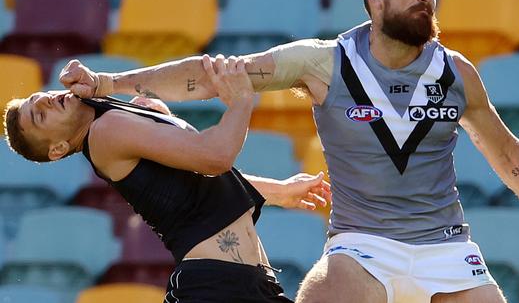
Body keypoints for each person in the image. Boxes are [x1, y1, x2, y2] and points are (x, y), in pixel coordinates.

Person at [57, 0, 519, 303]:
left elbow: (511, 158)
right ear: (374, 1)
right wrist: (109, 85)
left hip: (449, 248)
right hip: (363, 246)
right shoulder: (323, 62)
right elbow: (211, 77)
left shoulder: (457, 73)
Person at [3, 56, 331, 303]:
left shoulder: (113, 114)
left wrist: (280, 191)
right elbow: (215, 157)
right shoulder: (106, 131)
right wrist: (242, 101)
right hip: (214, 287)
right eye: (40, 115)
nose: (45, 100)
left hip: (242, 283)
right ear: (59, 149)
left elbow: (200, 182)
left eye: (39, 97)